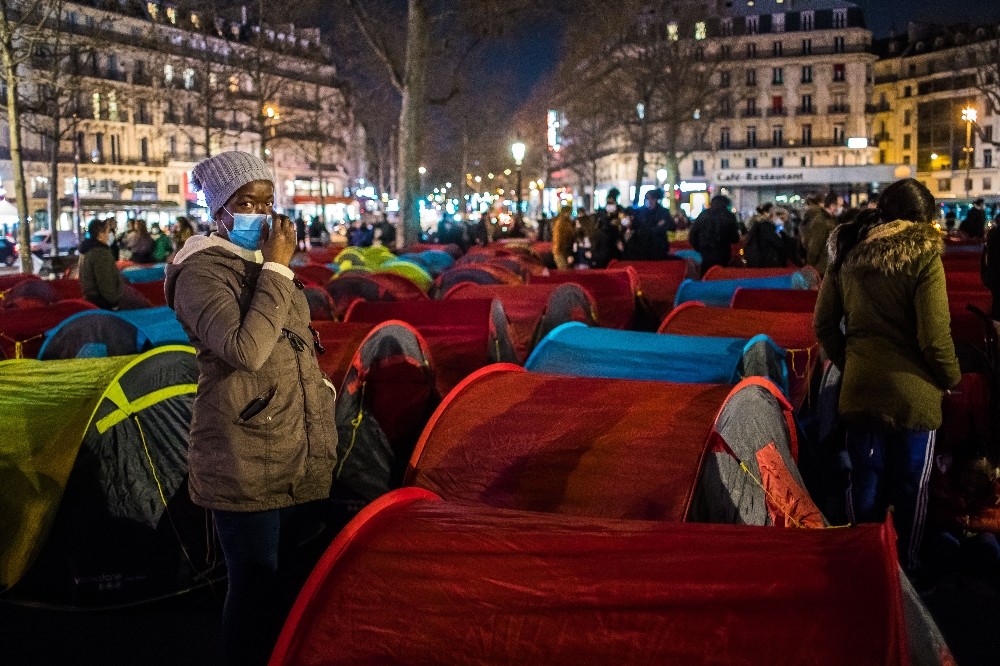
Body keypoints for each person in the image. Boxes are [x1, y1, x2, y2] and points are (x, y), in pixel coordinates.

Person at [164, 151, 338, 666]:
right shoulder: (200, 272)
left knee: (292, 584)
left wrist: (320, 391)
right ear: (219, 210)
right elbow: (246, 350)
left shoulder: (259, 264)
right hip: (242, 452)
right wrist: (279, 268)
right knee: (255, 586)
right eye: (246, 202)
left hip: (293, 440)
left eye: (266, 201)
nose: (260, 213)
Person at [814, 178, 961, 573]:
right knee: (912, 489)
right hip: (915, 398)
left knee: (864, 484)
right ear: (922, 218)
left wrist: (852, 363)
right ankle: (905, 574)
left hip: (861, 392)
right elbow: (935, 338)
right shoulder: (925, 256)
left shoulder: (848, 250)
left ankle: (861, 570)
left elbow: (824, 324)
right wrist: (951, 378)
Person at [79, 218, 124, 310]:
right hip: (103, 302)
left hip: (92, 299)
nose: (109, 235)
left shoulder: (86, 250)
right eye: (107, 232)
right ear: (100, 234)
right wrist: (113, 302)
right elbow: (105, 280)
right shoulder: (100, 253)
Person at [689, 195, 741, 272]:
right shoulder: (729, 216)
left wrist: (700, 248)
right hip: (723, 252)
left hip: (705, 253)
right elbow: (735, 238)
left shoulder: (703, 215)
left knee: (706, 273)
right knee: (722, 274)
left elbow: (693, 235)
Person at [624, 188, 674, 260]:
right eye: (646, 198)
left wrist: (657, 228)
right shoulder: (640, 212)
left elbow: (669, 227)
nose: (648, 201)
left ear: (655, 199)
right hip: (642, 247)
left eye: (650, 198)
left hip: (659, 247)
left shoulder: (663, 212)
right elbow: (636, 226)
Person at [801, 192, 842, 276]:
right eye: (840, 205)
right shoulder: (821, 221)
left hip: (828, 266)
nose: (841, 208)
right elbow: (815, 245)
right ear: (832, 206)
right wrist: (810, 266)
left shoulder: (831, 220)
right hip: (821, 267)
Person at [743, 204, 787, 268]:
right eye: (782, 218)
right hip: (764, 262)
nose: (783, 221)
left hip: (758, 260)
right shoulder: (766, 226)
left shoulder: (761, 224)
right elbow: (778, 243)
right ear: (773, 215)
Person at [593, 188, 625, 268]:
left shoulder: (620, 210)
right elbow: (598, 226)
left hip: (615, 242)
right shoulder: (601, 212)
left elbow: (622, 225)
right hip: (604, 243)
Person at [982, 214, 1000, 322]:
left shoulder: (992, 235)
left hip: (994, 276)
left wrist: (986, 276)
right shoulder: (993, 235)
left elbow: (986, 259)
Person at [551, 205, 575, 270]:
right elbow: (564, 239)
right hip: (561, 250)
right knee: (564, 270)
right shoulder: (563, 224)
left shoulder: (559, 222)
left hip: (559, 250)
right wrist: (568, 254)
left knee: (564, 270)